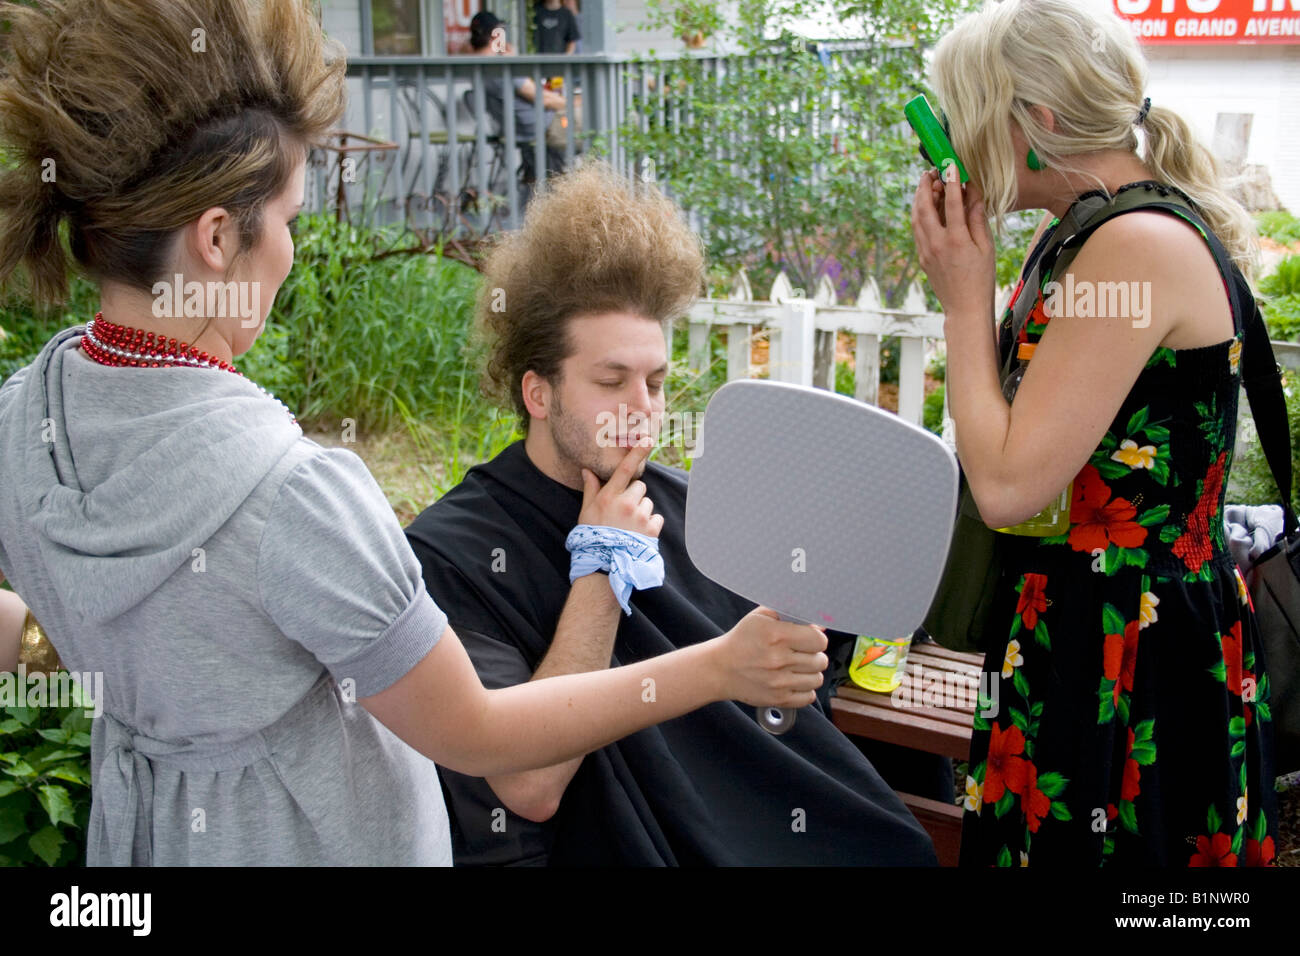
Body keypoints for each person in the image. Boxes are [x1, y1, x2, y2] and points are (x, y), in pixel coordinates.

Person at [0, 0, 828, 866]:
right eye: (286, 218)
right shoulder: (293, 495)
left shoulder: (26, 417)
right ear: (216, 237)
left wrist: (94, 647)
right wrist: (717, 668)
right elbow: (478, 734)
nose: (289, 246)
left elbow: (106, 618)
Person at [404, 163, 940, 866]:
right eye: (610, 380)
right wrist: (600, 571)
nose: (643, 409)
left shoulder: (706, 505)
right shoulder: (455, 553)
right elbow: (528, 785)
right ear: (538, 393)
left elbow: (823, 652)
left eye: (655, 382)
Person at [911, 0, 1278, 866]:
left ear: (1035, 121)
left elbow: (1006, 487)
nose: (949, 148)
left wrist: (966, 300)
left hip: (1131, 645)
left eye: (962, 119)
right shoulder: (1075, 236)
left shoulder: (1134, 245)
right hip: (1074, 622)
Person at [469, 11, 568, 183]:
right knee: (585, 120)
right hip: (537, 125)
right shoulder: (501, 67)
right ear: (495, 35)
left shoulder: (474, 66)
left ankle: (541, 177)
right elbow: (542, 98)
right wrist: (568, 103)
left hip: (515, 126)